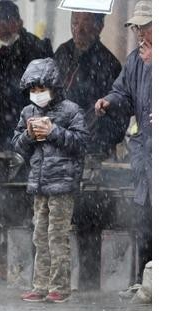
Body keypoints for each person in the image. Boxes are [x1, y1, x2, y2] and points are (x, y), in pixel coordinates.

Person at [54, 11, 129, 290]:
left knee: (87, 224)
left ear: (99, 26)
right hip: (60, 153)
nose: (79, 30)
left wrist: (97, 141)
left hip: (92, 159)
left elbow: (119, 117)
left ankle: (87, 286)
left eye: (85, 24)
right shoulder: (61, 55)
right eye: (75, 23)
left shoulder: (109, 64)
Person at [12, 58, 89, 303]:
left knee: (57, 236)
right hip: (39, 184)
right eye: (33, 90)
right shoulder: (28, 113)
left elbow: (81, 143)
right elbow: (16, 145)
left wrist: (53, 132)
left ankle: (59, 286)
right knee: (39, 235)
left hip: (62, 185)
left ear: (54, 87)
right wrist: (29, 135)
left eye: (41, 89)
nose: (37, 95)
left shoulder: (71, 110)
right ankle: (40, 285)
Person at [94, 0, 152, 297]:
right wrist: (109, 101)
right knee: (143, 220)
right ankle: (144, 281)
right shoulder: (134, 60)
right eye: (137, 27)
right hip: (145, 156)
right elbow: (123, 93)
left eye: (145, 26)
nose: (140, 32)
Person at [0, 0, 53, 152]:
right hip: (9, 131)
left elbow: (45, 97)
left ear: (18, 22)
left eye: (6, 21)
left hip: (32, 130)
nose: (0, 28)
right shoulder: (0, 56)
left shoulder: (37, 48)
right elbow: (2, 101)